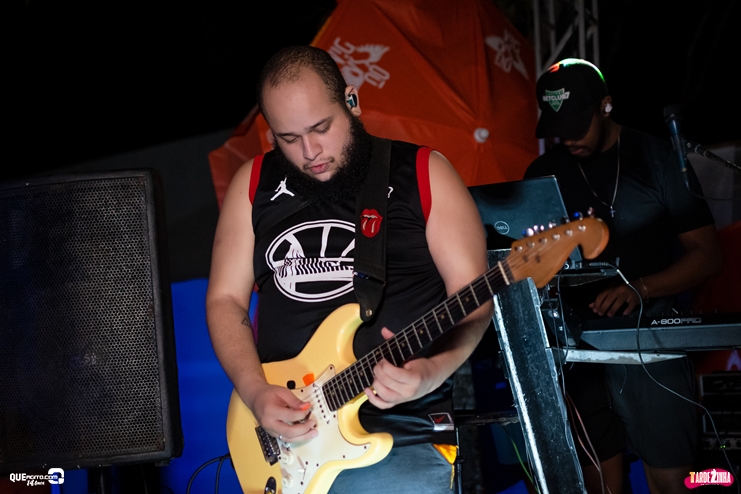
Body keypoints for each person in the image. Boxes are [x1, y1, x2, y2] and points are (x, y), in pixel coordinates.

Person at [205, 45, 493, 493]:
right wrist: (254, 390)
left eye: (321, 128)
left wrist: (431, 371)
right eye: (288, 138)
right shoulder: (254, 183)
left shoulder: (424, 172)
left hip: (398, 434)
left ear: (352, 101)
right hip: (285, 443)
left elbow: (473, 300)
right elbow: (225, 299)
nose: (310, 152)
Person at [524, 59, 723, 494]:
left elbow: (707, 255)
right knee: (598, 480)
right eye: (558, 128)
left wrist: (640, 288)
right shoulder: (542, 174)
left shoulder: (656, 158)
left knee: (671, 478)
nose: (568, 138)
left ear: (606, 106)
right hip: (576, 347)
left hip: (650, 337)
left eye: (577, 125)